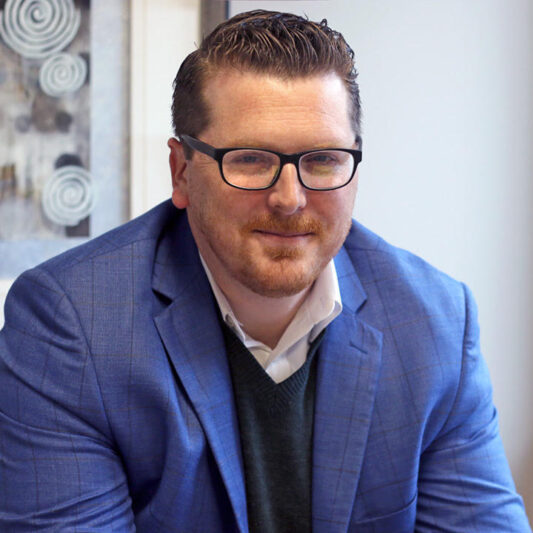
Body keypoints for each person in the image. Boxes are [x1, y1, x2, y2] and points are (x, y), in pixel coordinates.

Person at [0, 9, 530, 533]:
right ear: (181, 172)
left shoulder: (435, 324)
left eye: (323, 159)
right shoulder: (71, 327)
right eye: (251, 159)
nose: (290, 198)